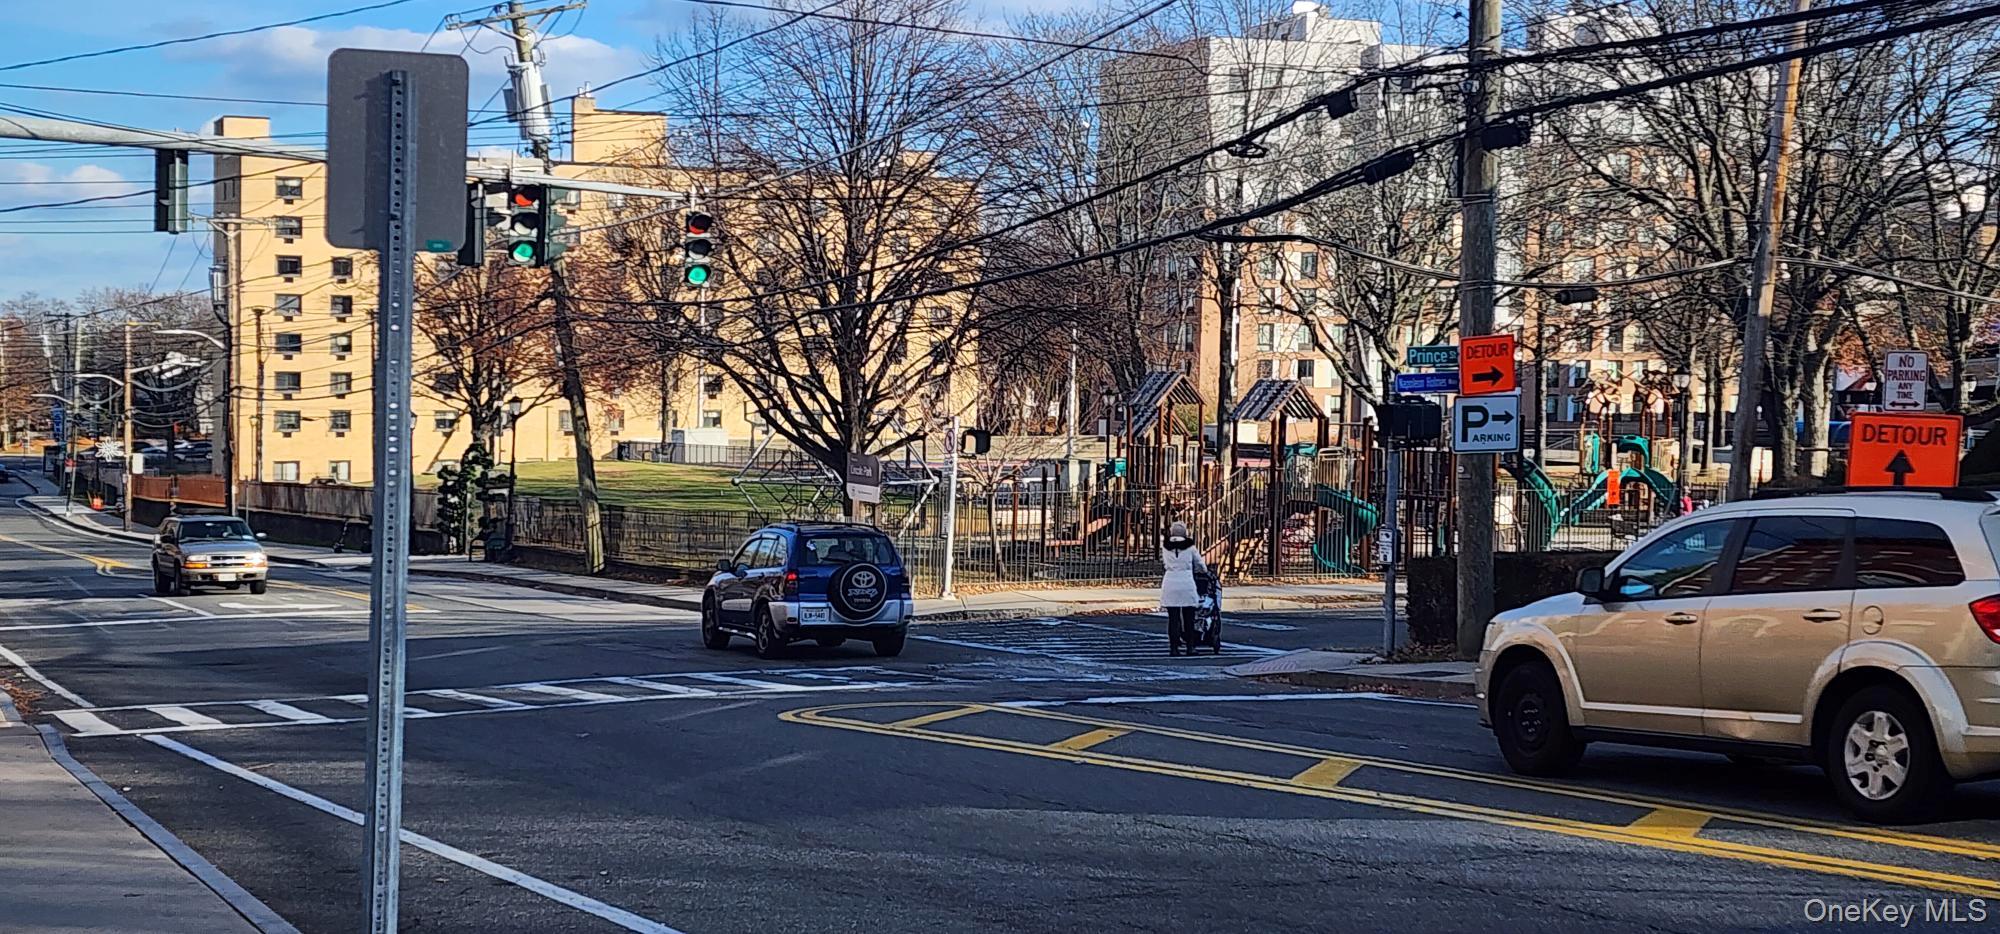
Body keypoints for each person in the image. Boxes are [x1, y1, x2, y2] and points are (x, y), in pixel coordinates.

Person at [1159, 520, 1209, 656]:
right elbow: (1199, 563)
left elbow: (1164, 562)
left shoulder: (1165, 546)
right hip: (1186, 581)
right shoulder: (1190, 547)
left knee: (1173, 618)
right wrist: (1204, 571)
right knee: (1189, 617)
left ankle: (1174, 647)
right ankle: (1190, 646)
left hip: (1170, 581)